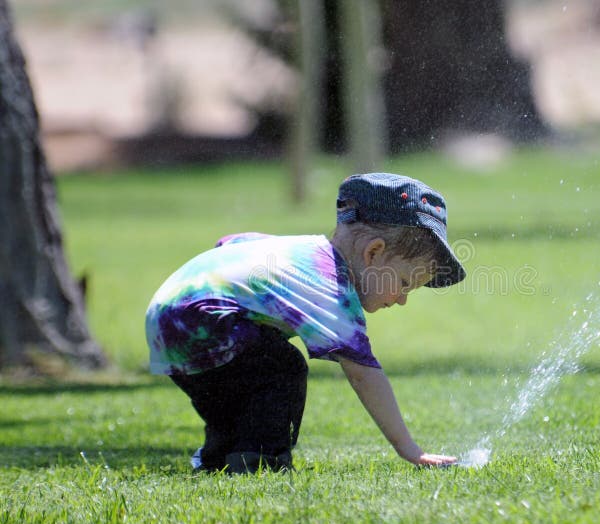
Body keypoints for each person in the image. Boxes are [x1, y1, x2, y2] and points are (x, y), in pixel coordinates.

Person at [145, 173, 467, 473]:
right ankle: (264, 460)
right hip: (201, 320)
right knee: (282, 367)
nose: (402, 299)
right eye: (405, 282)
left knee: (240, 391)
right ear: (374, 253)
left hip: (170, 317)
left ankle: (220, 459)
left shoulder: (300, 250)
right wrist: (408, 448)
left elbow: (231, 242)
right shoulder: (329, 284)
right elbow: (363, 375)